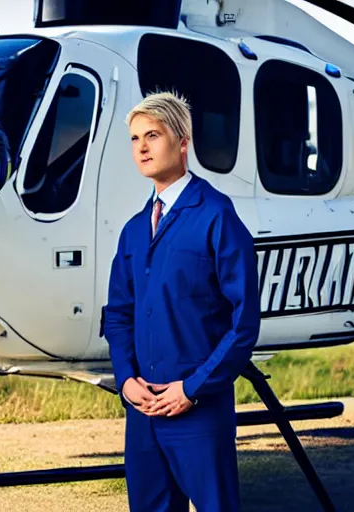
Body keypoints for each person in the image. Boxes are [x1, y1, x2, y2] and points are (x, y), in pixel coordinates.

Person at [104, 91, 260, 512]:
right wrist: (126, 379)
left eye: (152, 135)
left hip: (198, 412)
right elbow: (118, 314)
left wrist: (192, 388)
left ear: (183, 140)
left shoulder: (216, 216)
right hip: (143, 412)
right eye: (135, 138)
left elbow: (243, 324)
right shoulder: (135, 230)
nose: (141, 147)